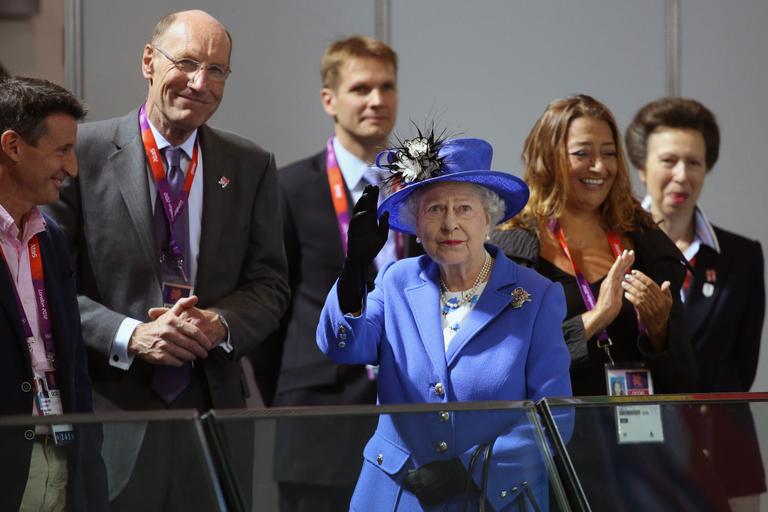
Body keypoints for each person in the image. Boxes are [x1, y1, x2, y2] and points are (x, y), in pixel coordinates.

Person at [43, 10, 289, 510]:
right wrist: (131, 335)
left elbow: (270, 285)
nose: (201, 83)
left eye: (217, 70)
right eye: (188, 63)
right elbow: (49, 284)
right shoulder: (80, 155)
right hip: (110, 410)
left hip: (212, 411)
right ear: (149, 63)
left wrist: (218, 324)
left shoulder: (251, 164)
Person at [317, 134, 572, 510]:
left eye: (464, 208)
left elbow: (556, 416)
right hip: (398, 495)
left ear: (489, 217)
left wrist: (471, 469)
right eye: (434, 209)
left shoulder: (536, 296)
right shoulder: (396, 280)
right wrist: (354, 269)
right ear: (416, 224)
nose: (450, 223)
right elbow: (342, 346)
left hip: (490, 497)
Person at [267, 35, 420, 511]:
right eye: (361, 89)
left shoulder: (422, 189)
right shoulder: (286, 187)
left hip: (411, 408)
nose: (377, 100)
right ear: (329, 100)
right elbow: (272, 302)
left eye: (387, 87)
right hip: (320, 413)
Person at [491, 94, 697, 396]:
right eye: (582, 153)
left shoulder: (646, 240)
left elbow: (686, 381)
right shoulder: (512, 250)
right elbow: (507, 363)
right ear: (549, 158)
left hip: (639, 438)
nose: (600, 167)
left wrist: (659, 331)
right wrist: (597, 316)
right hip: (556, 435)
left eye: (610, 153)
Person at [626, 96, 766, 511]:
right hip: (644, 449)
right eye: (668, 161)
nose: (681, 176)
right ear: (641, 168)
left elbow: (742, 365)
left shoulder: (742, 256)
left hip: (724, 442)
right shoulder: (619, 248)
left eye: (695, 163)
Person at [0, 76, 107, 511]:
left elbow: (74, 367)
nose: (73, 168)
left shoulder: (52, 238)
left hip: (63, 463)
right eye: (61, 150)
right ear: (12, 146)